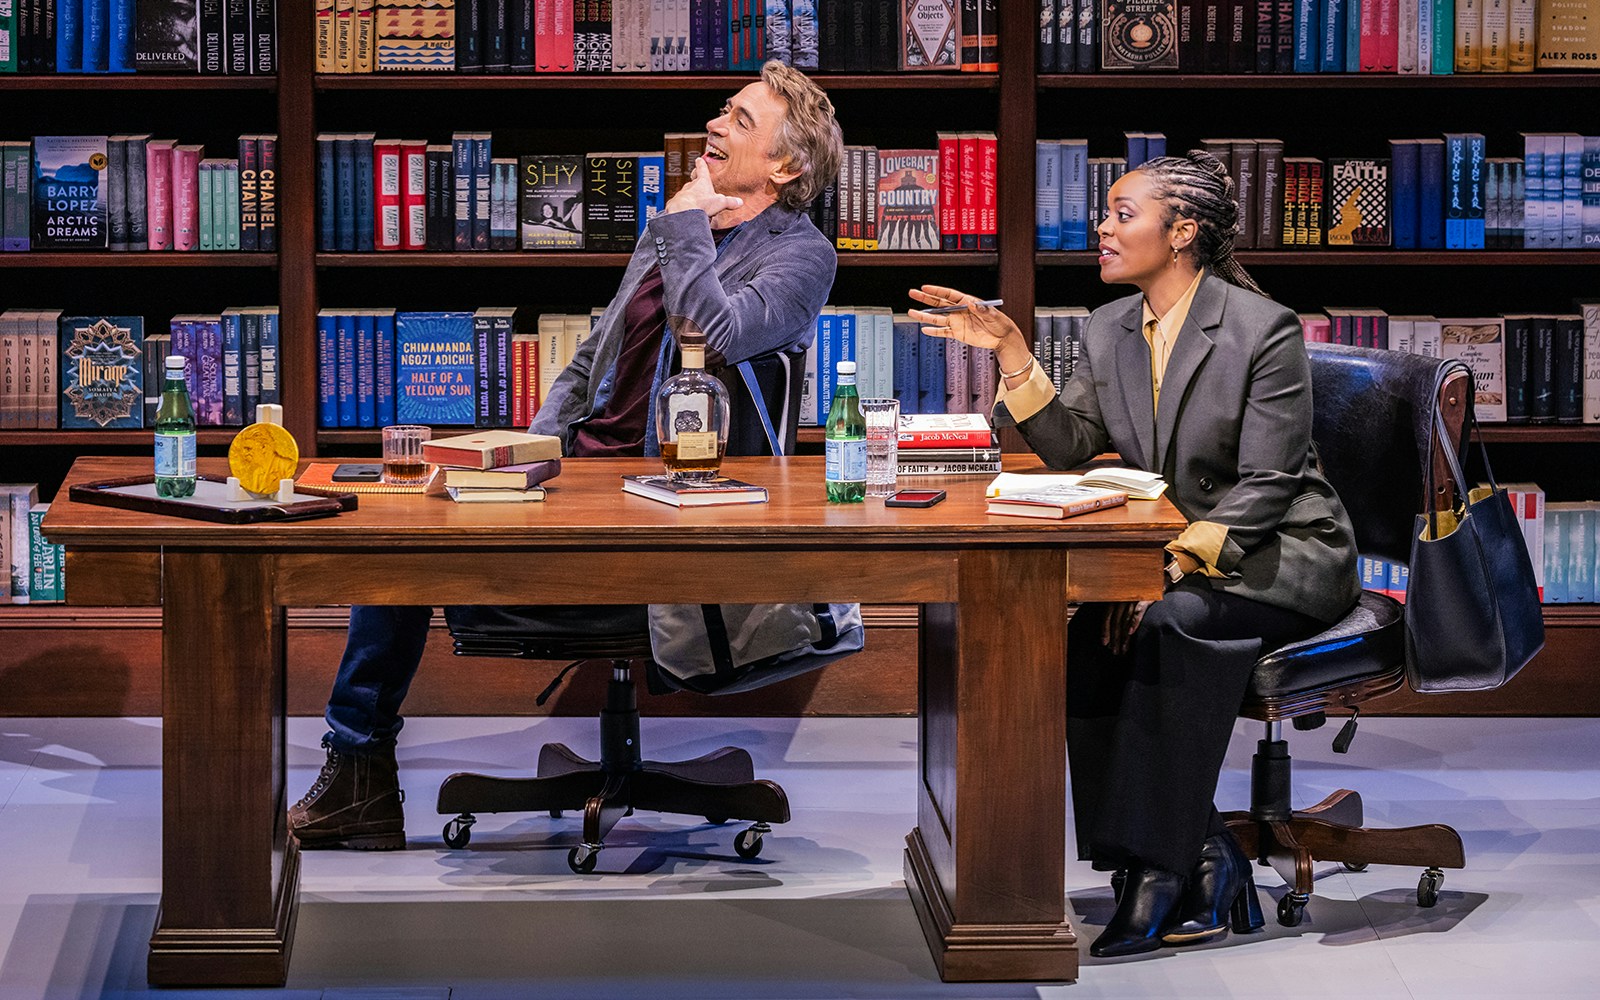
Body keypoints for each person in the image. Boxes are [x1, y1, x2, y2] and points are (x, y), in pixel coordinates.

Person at [290, 61, 844, 851]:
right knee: (397, 523)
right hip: (580, 481)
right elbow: (592, 362)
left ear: (784, 166)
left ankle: (358, 771)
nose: (715, 124)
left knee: (404, 551)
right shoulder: (675, 228)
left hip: (666, 513)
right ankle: (358, 776)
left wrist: (685, 224)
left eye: (741, 120)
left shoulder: (801, 255)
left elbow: (713, 334)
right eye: (724, 109)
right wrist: (531, 455)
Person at [908, 151, 1361, 958]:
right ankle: (1187, 856)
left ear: (1181, 232)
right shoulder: (1110, 325)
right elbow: (1070, 443)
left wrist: (1166, 569)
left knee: (1170, 625)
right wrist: (1012, 352)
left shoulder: (1263, 328)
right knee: (1089, 635)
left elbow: (1269, 482)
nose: (1102, 228)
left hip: (1278, 552)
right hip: (1175, 552)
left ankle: (1162, 870)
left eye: (1123, 214)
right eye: (1107, 214)